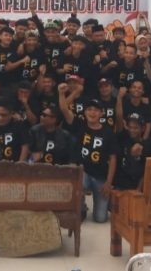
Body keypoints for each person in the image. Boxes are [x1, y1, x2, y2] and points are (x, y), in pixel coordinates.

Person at [59, 84, 118, 223]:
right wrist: (62, 94)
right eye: (89, 109)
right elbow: (64, 109)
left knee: (101, 218)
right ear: (85, 112)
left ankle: (104, 203)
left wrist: (108, 182)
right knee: (78, 181)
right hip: (83, 172)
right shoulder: (79, 125)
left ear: (101, 113)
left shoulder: (109, 132)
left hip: (100, 176)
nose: (92, 113)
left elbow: (113, 158)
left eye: (96, 110)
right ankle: (82, 207)